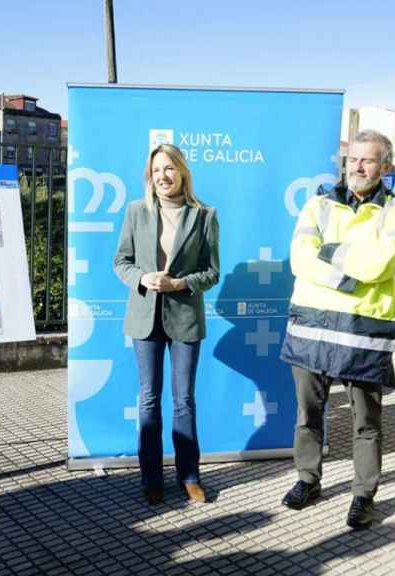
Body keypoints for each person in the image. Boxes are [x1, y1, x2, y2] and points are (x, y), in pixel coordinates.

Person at [278, 130, 395, 530]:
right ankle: (307, 479)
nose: (358, 167)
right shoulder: (318, 205)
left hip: (363, 330)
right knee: (308, 415)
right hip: (311, 327)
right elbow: (300, 260)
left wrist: (331, 254)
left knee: (366, 423)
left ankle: (362, 494)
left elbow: (380, 265)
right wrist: (348, 276)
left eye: (368, 160)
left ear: (385, 166)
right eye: (353, 159)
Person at [113, 143, 220, 505]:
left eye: (169, 169)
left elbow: (212, 272)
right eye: (156, 170)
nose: (163, 176)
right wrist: (143, 279)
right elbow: (121, 262)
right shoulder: (135, 212)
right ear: (150, 175)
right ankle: (151, 479)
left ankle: (190, 477)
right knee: (148, 400)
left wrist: (180, 284)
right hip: (145, 318)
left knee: (184, 400)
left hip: (186, 318)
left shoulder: (204, 215)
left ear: (182, 173)